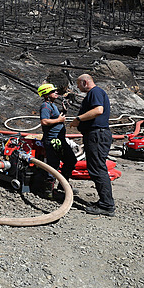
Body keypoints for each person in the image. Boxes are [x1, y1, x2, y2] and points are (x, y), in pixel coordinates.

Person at [69, 74, 115, 216]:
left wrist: (78, 119)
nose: (77, 87)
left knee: (97, 169)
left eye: (78, 84)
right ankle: (104, 202)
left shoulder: (95, 92)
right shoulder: (95, 93)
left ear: (85, 82)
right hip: (95, 135)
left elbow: (98, 110)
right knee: (95, 167)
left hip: (97, 135)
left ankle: (107, 205)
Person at [37, 83, 78, 198]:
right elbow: (44, 121)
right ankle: (48, 191)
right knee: (53, 164)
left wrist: (63, 112)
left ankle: (63, 185)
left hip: (59, 139)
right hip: (53, 140)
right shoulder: (45, 106)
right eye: (52, 91)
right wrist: (59, 119)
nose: (56, 92)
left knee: (70, 160)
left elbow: (56, 118)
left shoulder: (52, 105)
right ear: (46, 94)